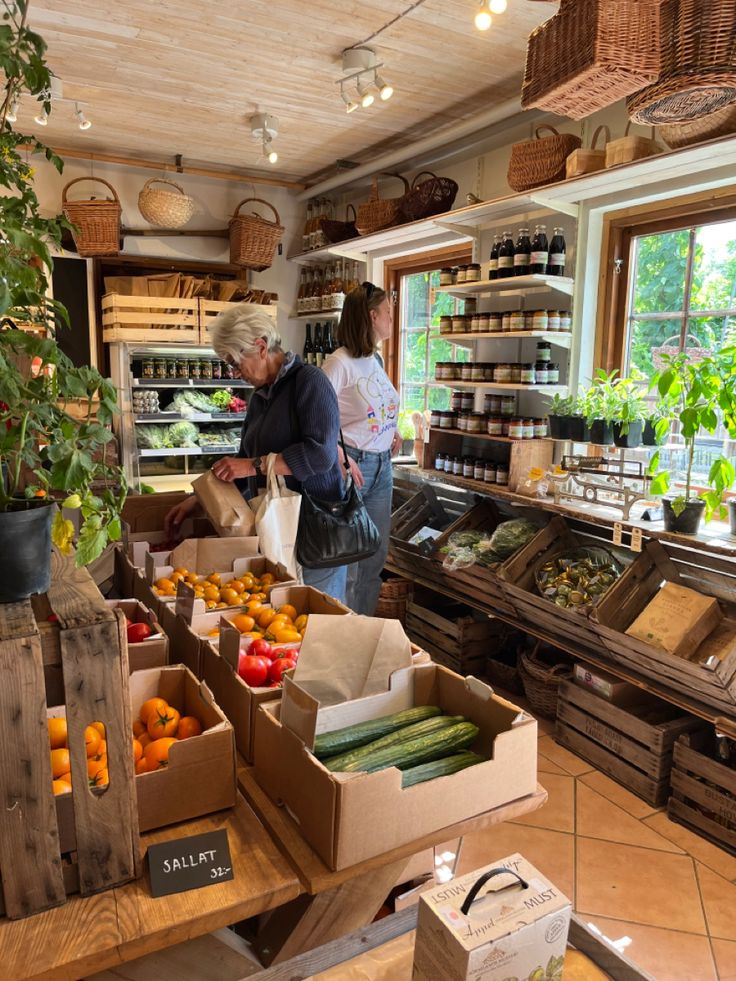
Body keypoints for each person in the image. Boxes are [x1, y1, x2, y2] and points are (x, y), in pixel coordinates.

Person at [164, 306, 348, 602]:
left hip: (315, 535)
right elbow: (241, 465)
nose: (235, 374)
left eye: (235, 363)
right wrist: (197, 502)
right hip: (276, 531)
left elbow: (320, 455)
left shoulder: (310, 381)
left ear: (261, 347)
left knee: (319, 628)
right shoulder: (262, 397)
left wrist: (254, 466)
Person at [322, 282, 401, 615]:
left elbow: (377, 404)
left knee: (374, 557)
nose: (392, 318)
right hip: (354, 469)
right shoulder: (338, 363)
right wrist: (339, 457)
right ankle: (345, 632)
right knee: (350, 562)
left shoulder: (375, 359)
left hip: (382, 468)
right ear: (372, 316)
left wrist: (391, 431)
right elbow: (315, 418)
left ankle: (363, 631)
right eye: (388, 312)